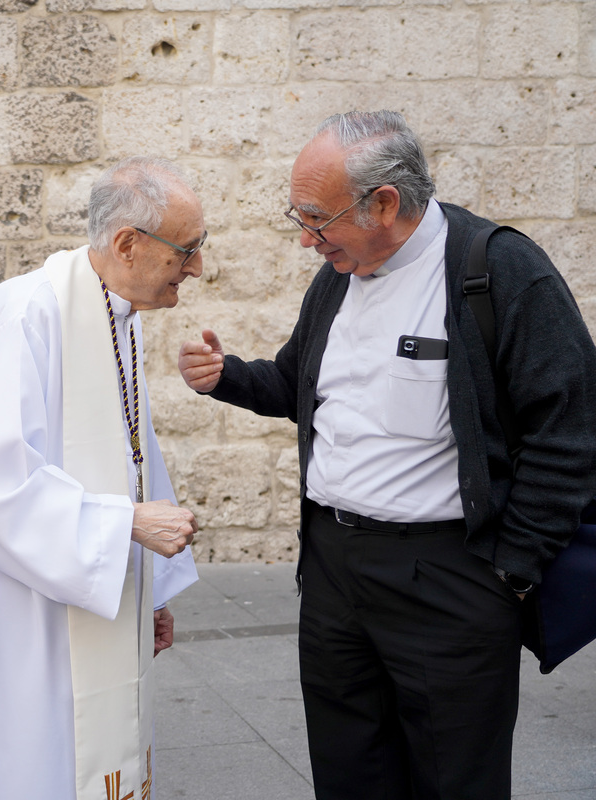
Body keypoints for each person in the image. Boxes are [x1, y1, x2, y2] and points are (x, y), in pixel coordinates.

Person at [179, 110, 596, 800]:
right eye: (299, 217)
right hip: (335, 574)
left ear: (384, 204)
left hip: (450, 577)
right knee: (350, 772)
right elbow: (300, 385)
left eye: (317, 219)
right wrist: (228, 377)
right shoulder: (341, 272)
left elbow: (572, 429)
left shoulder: (495, 269)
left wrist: (512, 570)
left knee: (454, 778)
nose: (308, 239)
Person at [0, 156, 203, 800]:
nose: (198, 268)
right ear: (128, 244)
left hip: (92, 588)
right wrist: (126, 525)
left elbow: (134, 456)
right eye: (188, 250)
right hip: (21, 615)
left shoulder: (114, 316)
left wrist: (149, 592)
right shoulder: (25, 316)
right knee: (28, 766)